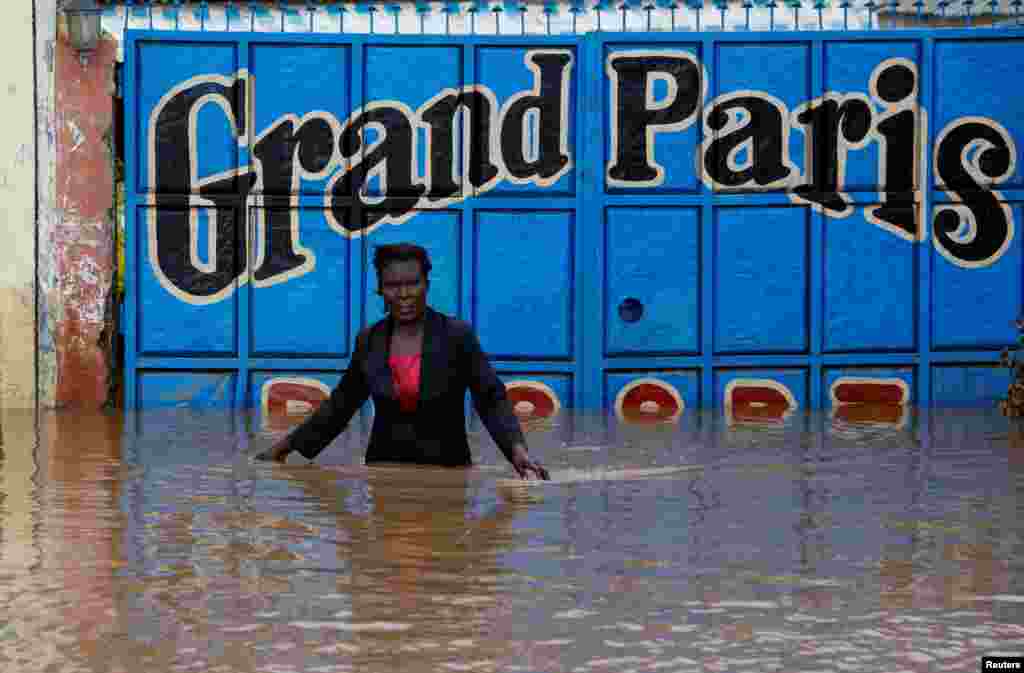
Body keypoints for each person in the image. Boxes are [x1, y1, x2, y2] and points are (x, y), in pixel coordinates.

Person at [255, 243, 549, 480]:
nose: (404, 294)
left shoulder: (456, 335)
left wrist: (517, 452)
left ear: (426, 284)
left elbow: (490, 399)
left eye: (413, 283)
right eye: (393, 285)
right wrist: (283, 448)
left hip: (448, 476)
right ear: (380, 289)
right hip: (383, 474)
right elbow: (339, 407)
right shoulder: (369, 341)